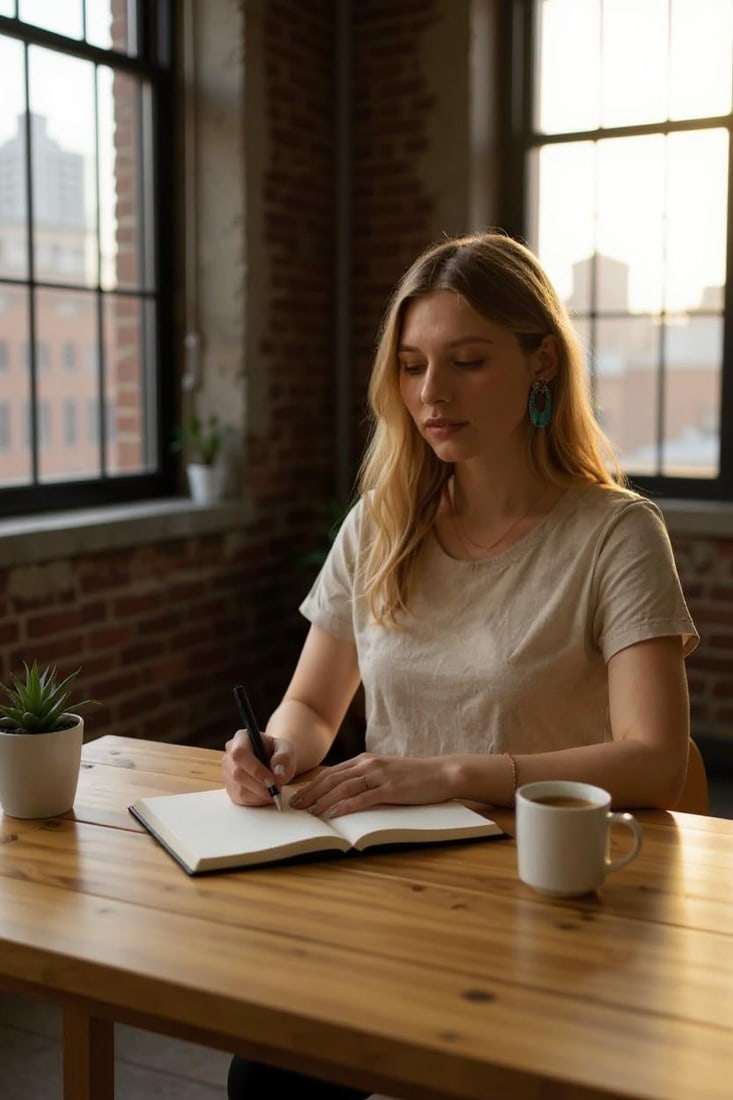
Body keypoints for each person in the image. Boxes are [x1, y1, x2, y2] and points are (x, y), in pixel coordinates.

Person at [223, 230, 698, 1100]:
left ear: (540, 363)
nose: (430, 394)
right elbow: (311, 705)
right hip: (396, 885)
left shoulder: (616, 533)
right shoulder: (378, 522)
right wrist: (274, 750)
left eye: (466, 361)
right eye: (410, 366)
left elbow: (657, 761)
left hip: (552, 897)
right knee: (265, 1073)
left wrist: (445, 772)